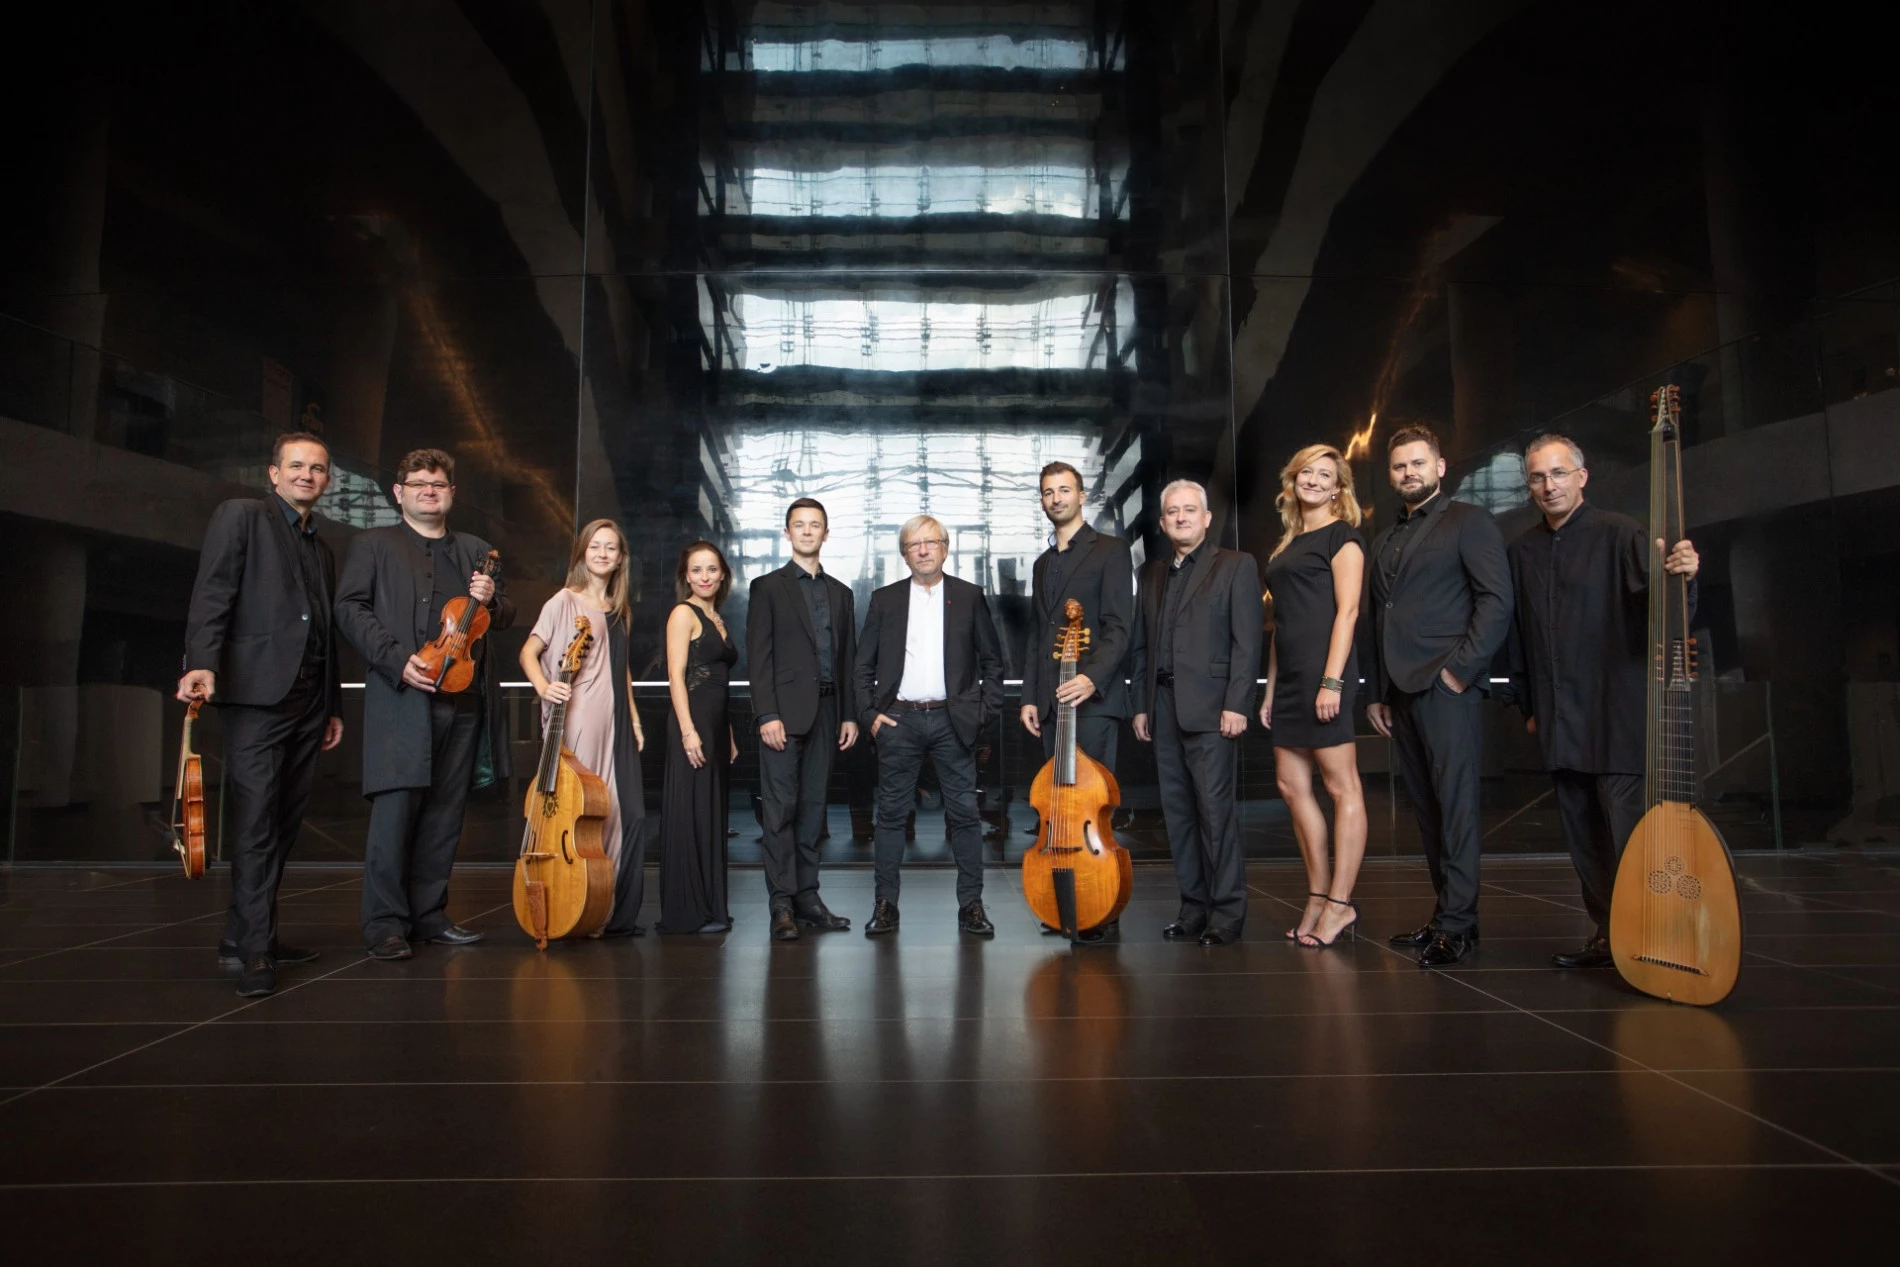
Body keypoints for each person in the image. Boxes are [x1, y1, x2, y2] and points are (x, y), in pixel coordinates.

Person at [1508, 433, 1699, 969]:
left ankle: (1656, 940)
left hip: (1618, 716)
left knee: (1631, 838)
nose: (1549, 486)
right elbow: (1519, 636)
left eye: (1559, 473)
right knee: (1584, 839)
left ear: (1582, 476)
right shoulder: (1522, 551)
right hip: (1560, 720)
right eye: (1538, 478)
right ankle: (1608, 934)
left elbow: (1666, 615)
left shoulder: (1622, 534)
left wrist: (1683, 577)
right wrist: (1528, 704)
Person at [178, 431, 344, 997]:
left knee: (282, 826)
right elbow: (213, 593)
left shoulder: (321, 546)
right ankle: (255, 952)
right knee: (254, 827)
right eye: (296, 465)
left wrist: (332, 705)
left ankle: (244, 935)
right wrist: (200, 663)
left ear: (327, 480)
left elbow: (322, 630)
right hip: (254, 699)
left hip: (306, 706)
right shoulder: (241, 516)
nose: (307, 475)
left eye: (317, 468)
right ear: (273, 473)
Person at [334, 448, 513, 961]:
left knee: (445, 813)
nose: (428, 490)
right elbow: (349, 608)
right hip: (402, 697)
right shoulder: (373, 544)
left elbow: (502, 615)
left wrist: (493, 597)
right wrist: (396, 660)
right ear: (399, 492)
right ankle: (385, 925)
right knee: (395, 812)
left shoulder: (475, 550)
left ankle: (430, 916)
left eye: (437, 483)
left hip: (464, 702)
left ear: (452, 493)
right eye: (418, 483)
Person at [1364, 425, 1512, 967]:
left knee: (1456, 809)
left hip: (1447, 688)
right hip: (1399, 693)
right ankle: (1445, 915)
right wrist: (1378, 691)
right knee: (1428, 809)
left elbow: (1496, 602)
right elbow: (1384, 617)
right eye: (1401, 466)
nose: (1410, 473)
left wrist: (1460, 671)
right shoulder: (1385, 538)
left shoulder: (1469, 522)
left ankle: (1460, 926)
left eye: (1418, 463)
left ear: (1441, 466)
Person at [854, 514, 1004, 938]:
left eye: (931, 542)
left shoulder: (969, 596)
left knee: (965, 815)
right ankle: (885, 906)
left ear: (945, 547)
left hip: (952, 720)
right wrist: (870, 716)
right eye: (914, 544)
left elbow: (993, 662)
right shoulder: (884, 600)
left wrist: (982, 711)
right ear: (905, 553)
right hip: (898, 720)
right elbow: (862, 666)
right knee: (890, 817)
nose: (923, 549)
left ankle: (971, 907)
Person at [1130, 479, 1263, 945]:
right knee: (1178, 814)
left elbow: (1248, 642)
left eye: (1190, 510)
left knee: (1214, 813)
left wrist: (1237, 703)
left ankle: (1227, 913)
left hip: (1212, 709)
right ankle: (1192, 908)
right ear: (1163, 522)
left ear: (1207, 519)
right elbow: (1141, 646)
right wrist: (1141, 706)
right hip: (1162, 707)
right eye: (1172, 511)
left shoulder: (1236, 566)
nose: (1181, 517)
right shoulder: (1150, 574)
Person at [1019, 460, 1136, 940]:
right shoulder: (1043, 563)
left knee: (1091, 810)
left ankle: (1097, 906)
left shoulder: (1109, 551)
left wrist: (1091, 678)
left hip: (1091, 700)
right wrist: (1030, 695)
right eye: (1048, 492)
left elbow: (1120, 626)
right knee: (1061, 810)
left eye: (1064, 490)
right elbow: (1037, 635)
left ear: (1082, 496)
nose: (1056, 499)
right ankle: (1065, 900)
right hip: (1051, 703)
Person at [519, 518, 650, 937]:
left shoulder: (619, 609)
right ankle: (580, 907)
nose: (602, 554)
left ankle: (604, 908)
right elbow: (529, 651)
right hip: (579, 717)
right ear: (582, 552)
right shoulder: (564, 601)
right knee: (581, 815)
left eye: (611, 548)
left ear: (620, 558)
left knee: (622, 814)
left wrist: (633, 716)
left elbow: (622, 670)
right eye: (595, 546)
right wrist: (545, 687)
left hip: (615, 722)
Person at [1259, 444, 1368, 948]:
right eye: (1307, 472)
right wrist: (1271, 689)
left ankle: (1341, 904)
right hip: (1291, 680)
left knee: (1340, 786)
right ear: (1293, 480)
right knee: (1290, 787)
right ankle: (1317, 896)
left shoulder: (1343, 538)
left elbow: (1346, 614)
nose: (1315, 480)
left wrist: (1332, 682)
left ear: (1338, 488)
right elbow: (1282, 624)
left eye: (1326, 474)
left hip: (1328, 679)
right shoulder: (1285, 546)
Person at [748, 498, 858, 941]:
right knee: (780, 811)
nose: (808, 531)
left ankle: (808, 898)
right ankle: (781, 904)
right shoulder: (768, 587)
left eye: (815, 525)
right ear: (787, 532)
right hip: (783, 716)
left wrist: (849, 714)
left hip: (829, 713)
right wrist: (767, 713)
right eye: (800, 525)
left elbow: (847, 658)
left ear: (826, 534)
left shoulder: (841, 593)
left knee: (814, 811)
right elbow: (759, 658)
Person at [655, 541, 739, 934]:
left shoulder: (716, 616)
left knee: (711, 811)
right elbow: (676, 676)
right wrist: (688, 731)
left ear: (722, 574)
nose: (704, 576)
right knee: (691, 810)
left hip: (716, 725)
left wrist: (730, 734)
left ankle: (710, 905)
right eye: (696, 570)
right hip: (691, 724)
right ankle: (688, 911)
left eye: (711, 569)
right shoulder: (682, 614)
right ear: (686, 576)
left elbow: (721, 683)